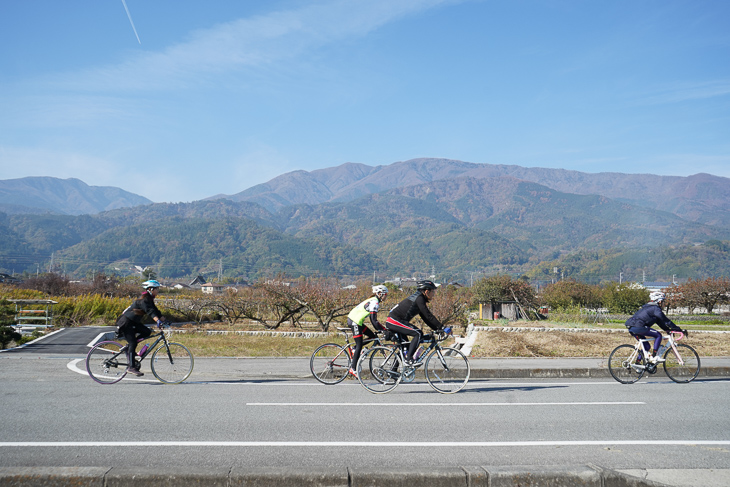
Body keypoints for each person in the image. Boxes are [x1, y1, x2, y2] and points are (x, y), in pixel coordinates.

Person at [386, 279, 444, 366]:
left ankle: (393, 371)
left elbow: (425, 318)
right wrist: (442, 327)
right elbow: (428, 315)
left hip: (395, 321)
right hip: (394, 320)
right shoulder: (419, 298)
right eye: (433, 291)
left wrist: (437, 328)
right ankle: (409, 360)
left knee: (407, 347)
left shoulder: (419, 298)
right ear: (427, 291)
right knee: (418, 333)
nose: (434, 294)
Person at [115, 279, 166, 376]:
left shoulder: (149, 299)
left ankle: (129, 348)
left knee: (147, 332)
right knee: (132, 342)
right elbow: (150, 311)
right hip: (126, 322)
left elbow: (156, 311)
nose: (158, 291)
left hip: (133, 322)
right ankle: (131, 367)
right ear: (151, 289)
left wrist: (165, 320)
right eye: (157, 289)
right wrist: (158, 321)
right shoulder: (144, 299)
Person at [624, 291, 684, 364]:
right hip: (639, 327)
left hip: (632, 328)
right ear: (659, 301)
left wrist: (668, 330)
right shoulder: (655, 309)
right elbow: (665, 320)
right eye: (663, 301)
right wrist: (677, 328)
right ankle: (655, 356)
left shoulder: (649, 308)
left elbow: (660, 322)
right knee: (658, 335)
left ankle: (638, 363)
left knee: (646, 347)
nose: (664, 304)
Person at [346, 285, 388, 378]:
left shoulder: (374, 300)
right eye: (385, 294)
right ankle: (353, 368)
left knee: (372, 336)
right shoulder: (374, 302)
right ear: (380, 294)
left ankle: (354, 349)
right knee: (360, 345)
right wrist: (383, 330)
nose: (386, 296)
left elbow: (374, 321)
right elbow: (374, 321)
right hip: (354, 321)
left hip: (357, 321)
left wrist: (381, 329)